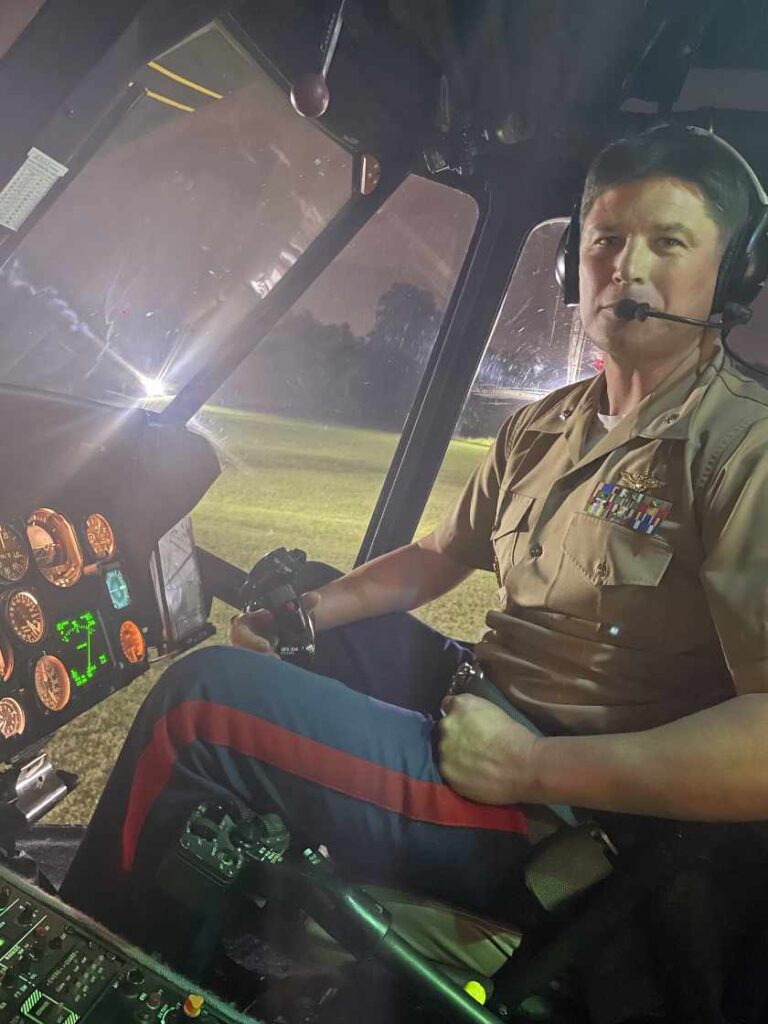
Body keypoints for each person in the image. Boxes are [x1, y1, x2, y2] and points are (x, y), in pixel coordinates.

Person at [62, 126, 768, 967]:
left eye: (668, 242)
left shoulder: (743, 451)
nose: (626, 267)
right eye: (606, 240)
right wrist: (305, 612)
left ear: (732, 273)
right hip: (478, 712)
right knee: (305, 592)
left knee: (199, 702)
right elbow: (438, 555)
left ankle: (83, 966)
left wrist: (533, 767)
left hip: (552, 814)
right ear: (571, 263)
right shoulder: (547, 425)